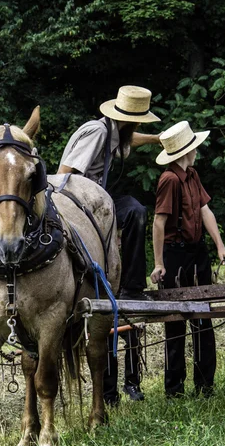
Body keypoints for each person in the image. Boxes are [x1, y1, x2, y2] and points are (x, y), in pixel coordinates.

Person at [57, 85, 161, 404]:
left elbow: (130, 142)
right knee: (134, 210)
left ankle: (127, 281)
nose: (141, 128)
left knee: (131, 207)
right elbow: (64, 174)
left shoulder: (116, 135)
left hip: (95, 202)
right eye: (141, 123)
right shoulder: (96, 134)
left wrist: (158, 139)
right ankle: (130, 286)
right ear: (130, 120)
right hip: (77, 202)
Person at [150, 120, 225, 398]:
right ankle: (174, 390)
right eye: (194, 147)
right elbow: (159, 223)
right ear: (186, 150)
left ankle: (205, 385)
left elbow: (205, 210)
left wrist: (220, 247)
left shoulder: (192, 175)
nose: (197, 150)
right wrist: (159, 262)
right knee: (175, 321)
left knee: (203, 317)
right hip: (175, 255)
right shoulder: (170, 179)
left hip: (197, 253)